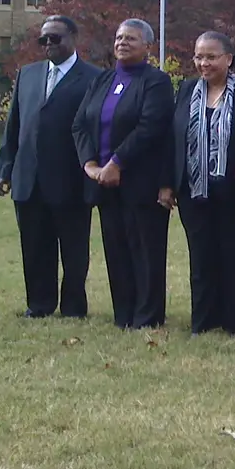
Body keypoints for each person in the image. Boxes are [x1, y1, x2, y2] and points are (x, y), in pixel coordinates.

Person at [0, 15, 101, 319]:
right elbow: (14, 128)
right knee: (35, 246)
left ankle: (73, 307)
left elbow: (95, 131)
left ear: (73, 38)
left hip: (71, 180)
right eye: (44, 39)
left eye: (56, 38)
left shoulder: (94, 77)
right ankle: (39, 304)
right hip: (28, 179)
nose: (49, 44)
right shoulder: (28, 75)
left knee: (74, 250)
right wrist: (5, 170)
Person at [159, 32, 235, 336]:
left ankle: (234, 323)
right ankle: (203, 320)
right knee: (201, 257)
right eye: (199, 56)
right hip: (194, 190)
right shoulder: (188, 89)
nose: (203, 63)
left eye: (211, 56)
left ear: (228, 59)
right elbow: (173, 138)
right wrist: (167, 183)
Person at [72, 18, 174, 330]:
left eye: (130, 38)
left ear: (148, 46)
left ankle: (147, 316)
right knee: (116, 249)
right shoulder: (102, 80)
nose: (122, 43)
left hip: (140, 183)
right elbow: (80, 124)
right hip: (103, 182)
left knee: (145, 250)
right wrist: (90, 164)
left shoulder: (156, 82)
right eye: (118, 37)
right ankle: (124, 314)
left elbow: (150, 127)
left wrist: (117, 163)